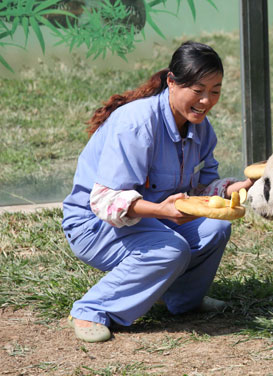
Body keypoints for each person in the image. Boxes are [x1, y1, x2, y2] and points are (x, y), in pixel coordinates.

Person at [61, 41, 253, 343]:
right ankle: (92, 309)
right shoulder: (136, 124)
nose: (206, 100)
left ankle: (181, 300)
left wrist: (234, 188)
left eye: (215, 90)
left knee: (216, 227)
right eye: (198, 90)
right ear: (172, 83)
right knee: (171, 249)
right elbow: (103, 201)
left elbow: (200, 189)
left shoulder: (201, 128)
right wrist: (163, 211)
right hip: (94, 225)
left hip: (153, 221)